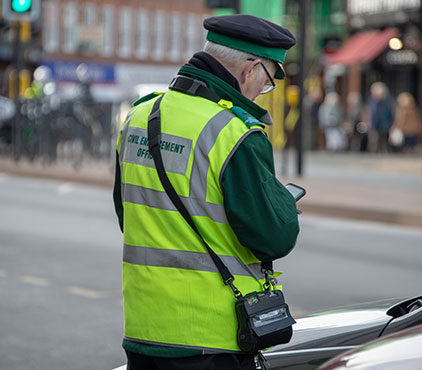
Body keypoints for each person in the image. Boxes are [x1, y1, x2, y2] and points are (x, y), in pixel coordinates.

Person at [113, 14, 300, 370]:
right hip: (211, 339)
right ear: (251, 69)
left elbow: (130, 216)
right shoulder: (235, 133)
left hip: (144, 331)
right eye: (267, 81)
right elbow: (273, 238)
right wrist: (283, 206)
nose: (262, 90)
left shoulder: (138, 116)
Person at [368, 82, 393, 153]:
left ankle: (383, 150)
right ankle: (375, 151)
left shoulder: (387, 102)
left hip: (384, 123)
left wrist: (390, 123)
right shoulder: (372, 101)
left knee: (384, 138)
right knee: (374, 139)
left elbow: (390, 114)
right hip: (375, 123)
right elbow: (370, 113)